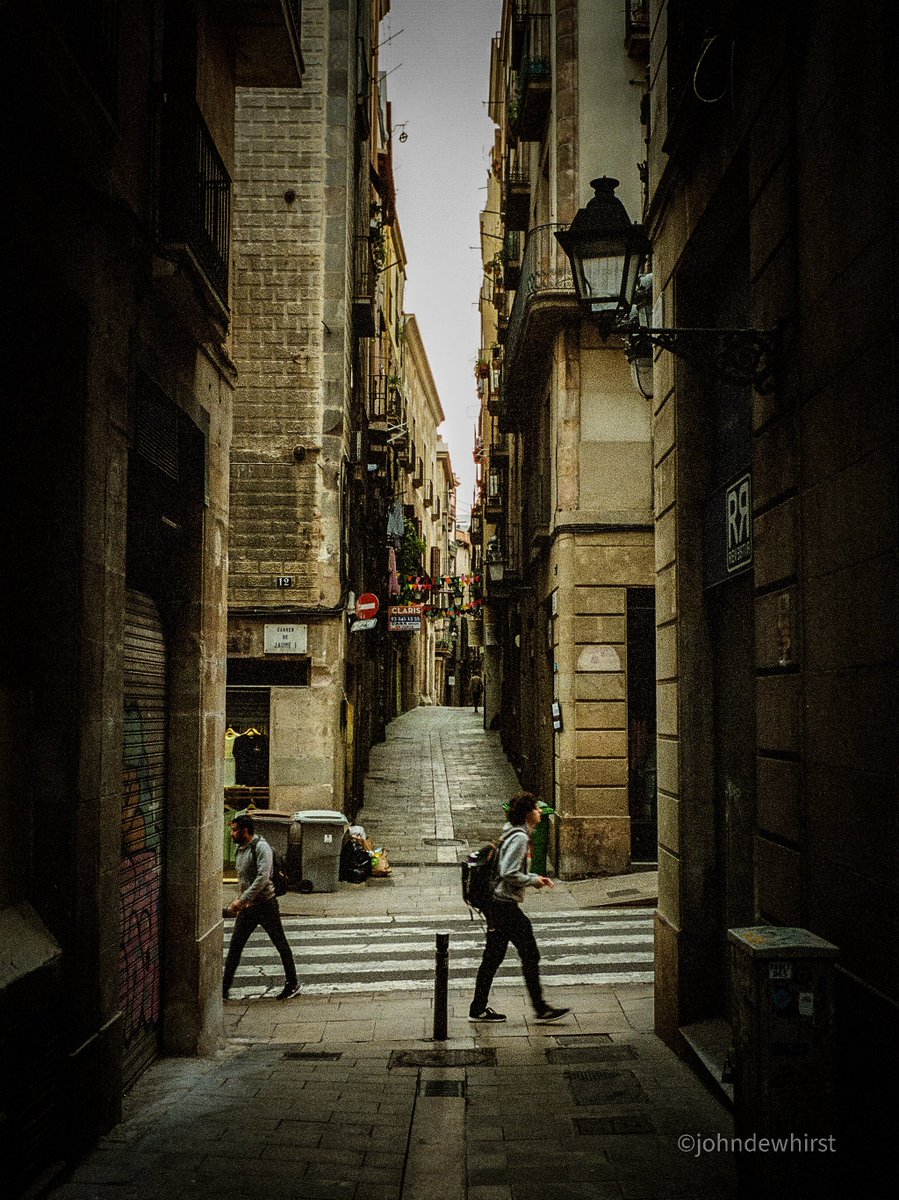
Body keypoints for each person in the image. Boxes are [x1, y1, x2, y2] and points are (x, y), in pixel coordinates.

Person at [469, 792, 570, 1024]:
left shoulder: (511, 832)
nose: (539, 812)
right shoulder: (519, 838)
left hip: (497, 904)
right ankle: (540, 1008)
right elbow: (509, 872)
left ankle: (477, 1009)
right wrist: (534, 880)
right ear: (527, 814)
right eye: (536, 809)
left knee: (493, 958)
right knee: (529, 953)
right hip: (504, 905)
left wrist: (535, 878)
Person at [222, 814, 299, 1000]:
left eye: (234, 830)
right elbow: (243, 879)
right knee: (235, 947)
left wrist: (242, 900)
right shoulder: (241, 849)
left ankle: (293, 983)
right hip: (248, 907)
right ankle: (223, 988)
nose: (231, 834)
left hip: (266, 905)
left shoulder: (261, 847)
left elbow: (262, 878)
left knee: (280, 943)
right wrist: (240, 899)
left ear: (245, 831)